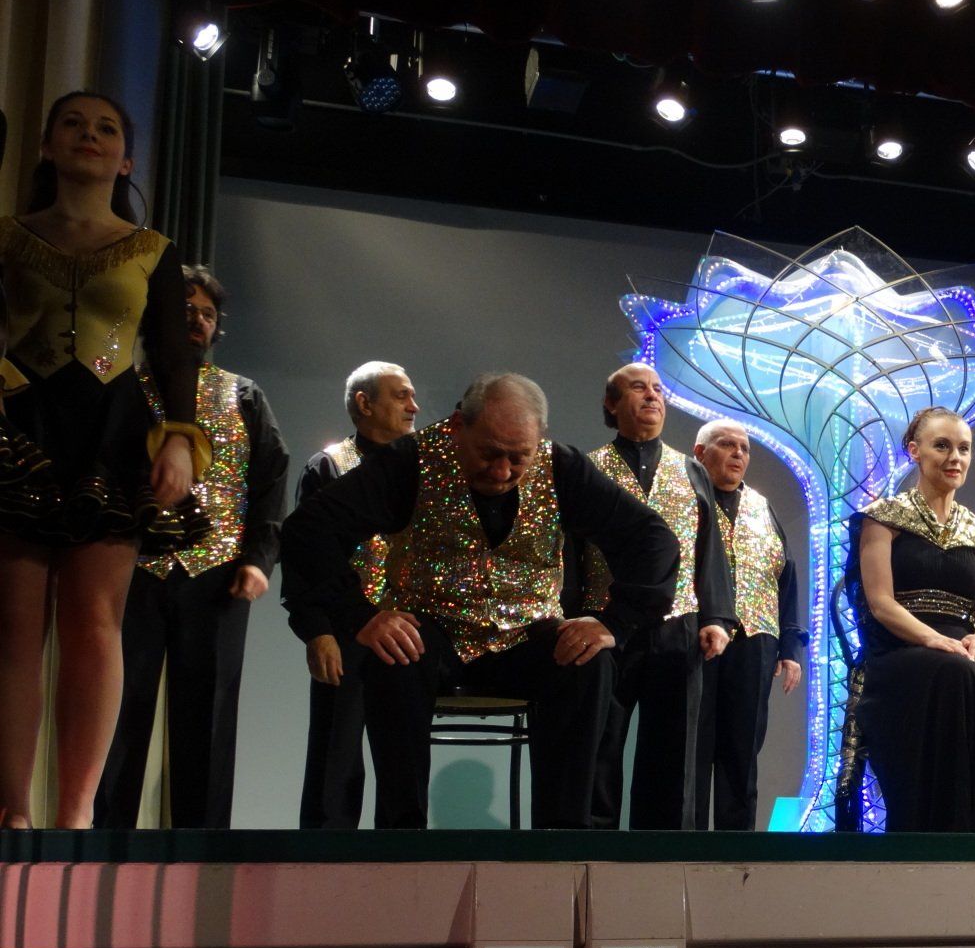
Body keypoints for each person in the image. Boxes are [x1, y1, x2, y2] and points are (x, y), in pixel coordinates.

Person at [280, 373, 679, 828]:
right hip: (432, 632)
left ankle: (561, 837)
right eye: (489, 453)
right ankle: (402, 836)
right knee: (393, 655)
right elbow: (308, 530)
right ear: (458, 426)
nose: (502, 471)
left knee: (587, 662)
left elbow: (653, 539)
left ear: (539, 440)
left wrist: (615, 622)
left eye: (518, 457)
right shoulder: (411, 461)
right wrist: (358, 615)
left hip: (526, 636)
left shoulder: (562, 467)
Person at [0, 91, 206, 828]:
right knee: (15, 628)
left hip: (112, 433)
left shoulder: (152, 249)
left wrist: (179, 438)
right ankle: (12, 809)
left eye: (106, 128)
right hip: (20, 427)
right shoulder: (8, 236)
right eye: (73, 124)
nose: (89, 135)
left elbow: (174, 353)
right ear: (47, 146)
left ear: (126, 160)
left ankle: (76, 812)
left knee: (94, 623)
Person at [96, 265, 289, 827]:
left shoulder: (244, 394)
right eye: (185, 311)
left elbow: (271, 481)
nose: (198, 321)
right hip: (132, 569)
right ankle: (110, 841)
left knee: (208, 717)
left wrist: (258, 560)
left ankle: (203, 849)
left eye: (207, 313)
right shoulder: (124, 390)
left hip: (217, 574)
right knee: (120, 708)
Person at [853, 407, 975, 832]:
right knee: (957, 672)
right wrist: (931, 638)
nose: (955, 457)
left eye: (964, 449)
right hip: (901, 646)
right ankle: (944, 827)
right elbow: (881, 603)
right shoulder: (883, 518)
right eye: (942, 446)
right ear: (914, 451)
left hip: (962, 644)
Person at [579, 362, 734, 830]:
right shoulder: (587, 467)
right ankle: (595, 847)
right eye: (638, 388)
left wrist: (716, 617)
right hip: (603, 624)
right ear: (611, 404)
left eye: (658, 389)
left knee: (673, 748)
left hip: (677, 625)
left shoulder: (690, 469)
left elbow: (709, 548)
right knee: (600, 743)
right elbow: (568, 549)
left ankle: (663, 853)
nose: (652, 396)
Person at [288, 361, 419, 828]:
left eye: (412, 396)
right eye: (401, 395)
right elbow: (304, 557)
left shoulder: (424, 470)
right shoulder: (328, 465)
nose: (414, 406)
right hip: (346, 630)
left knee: (402, 756)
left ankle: (401, 854)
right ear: (364, 403)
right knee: (335, 755)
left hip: (410, 633)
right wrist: (317, 632)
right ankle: (324, 857)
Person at [689, 420, 807, 830]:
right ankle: (684, 846)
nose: (738, 454)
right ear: (700, 452)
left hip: (756, 642)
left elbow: (786, 579)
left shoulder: (761, 506)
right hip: (696, 638)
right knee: (691, 746)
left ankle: (736, 848)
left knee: (742, 752)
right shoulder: (686, 498)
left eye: (745, 448)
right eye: (727, 444)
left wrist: (791, 649)